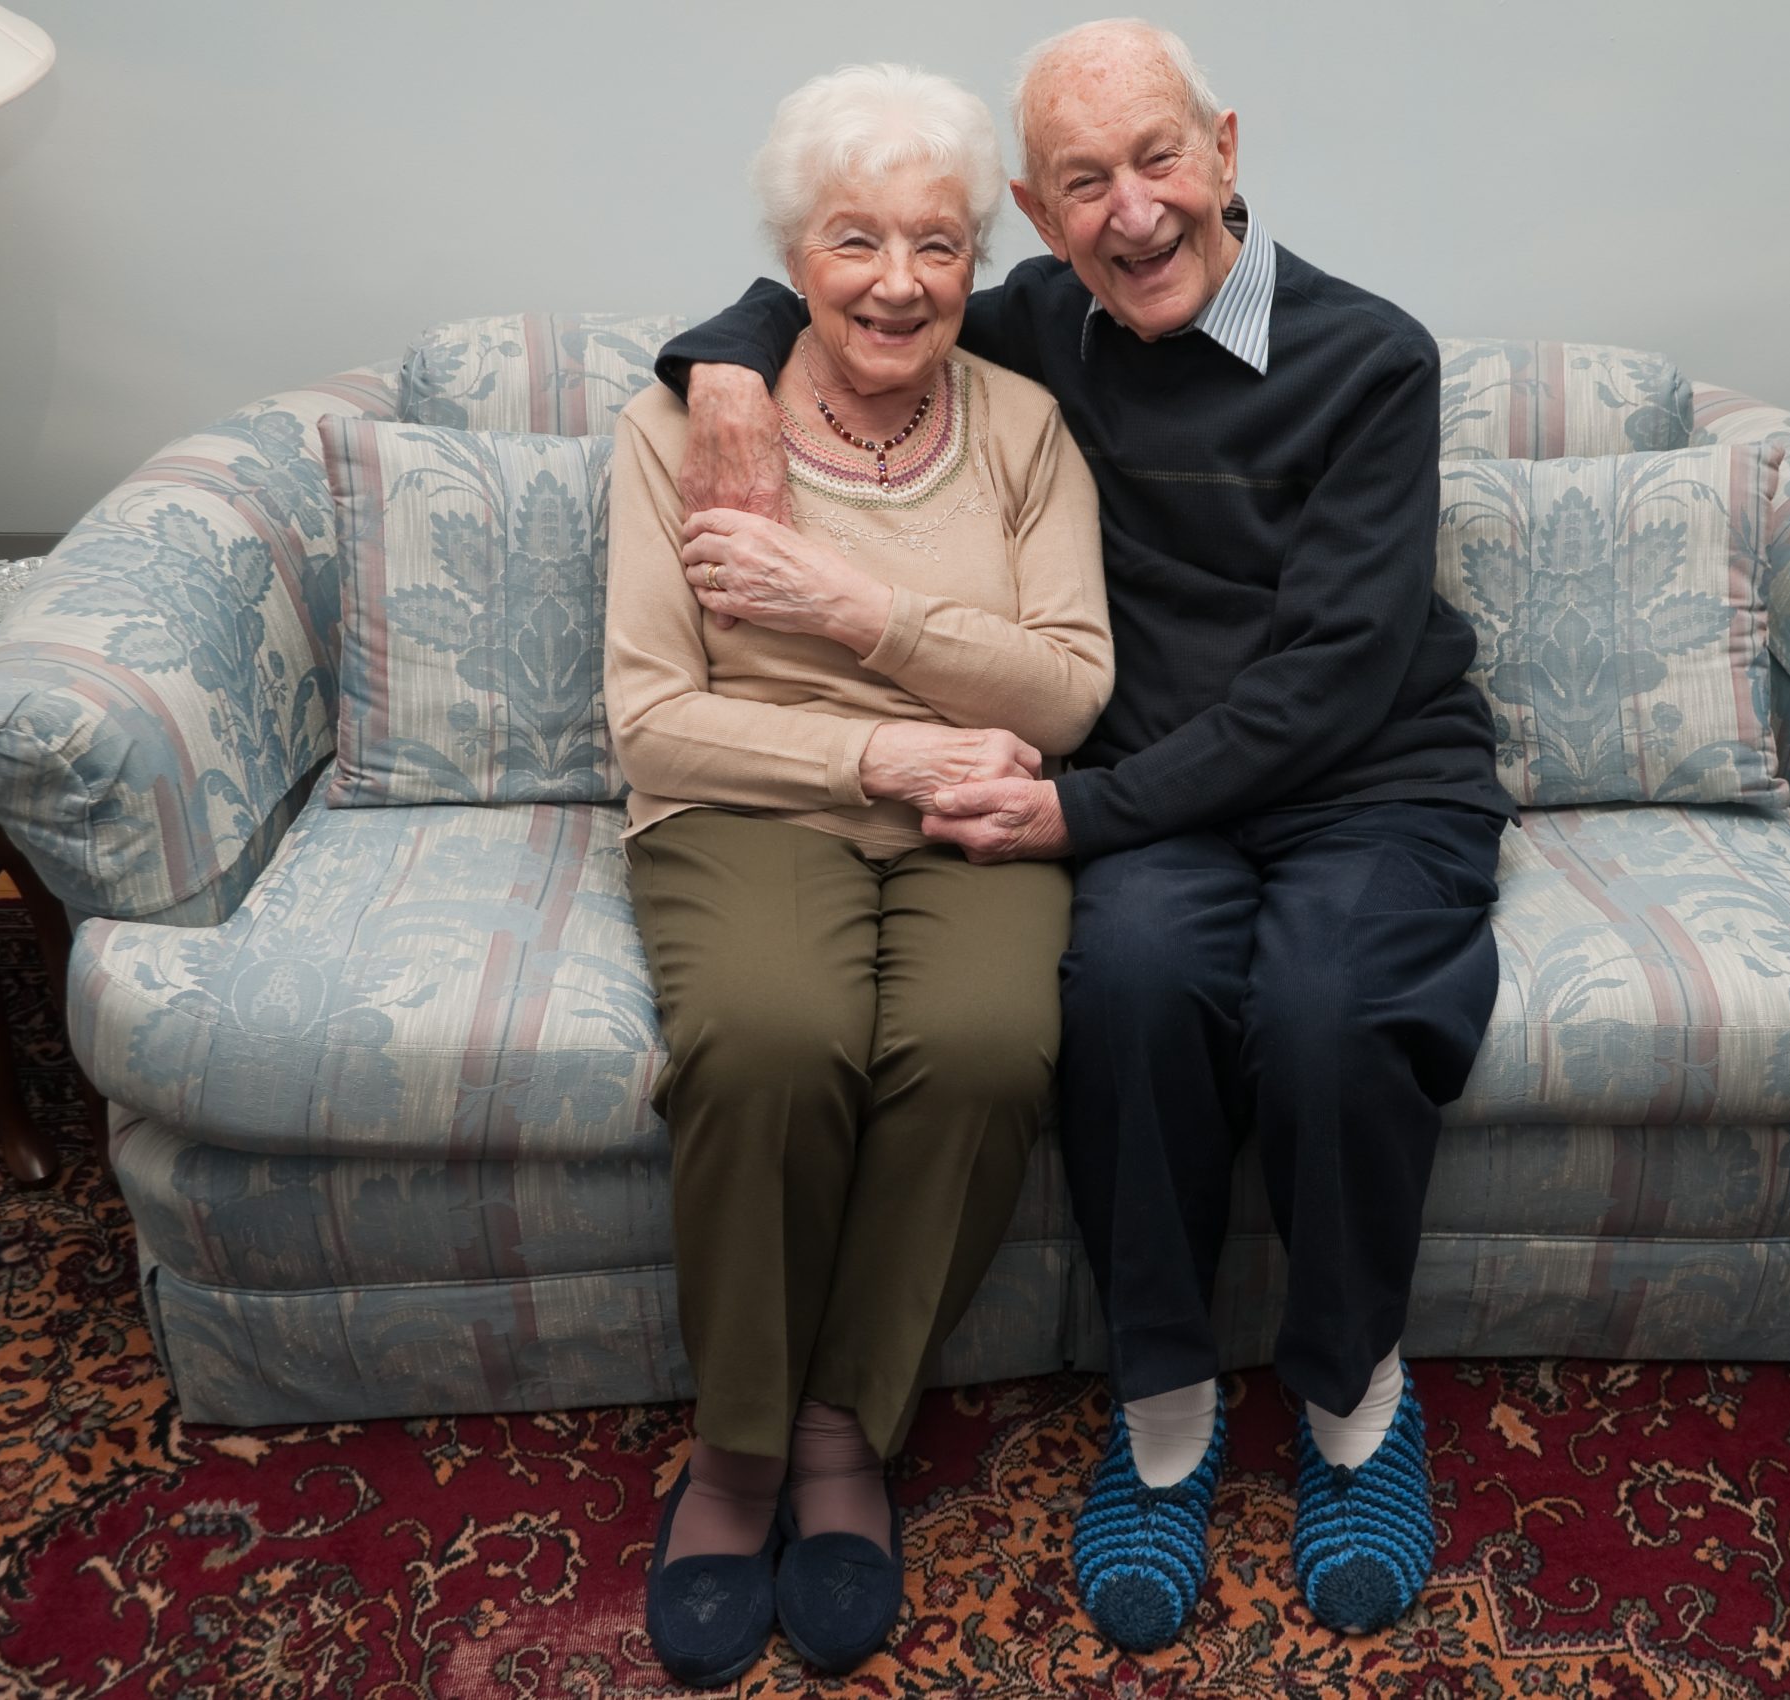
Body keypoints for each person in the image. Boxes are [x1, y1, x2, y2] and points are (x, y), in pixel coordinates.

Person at [658, 18, 1512, 1651]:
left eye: (1159, 160)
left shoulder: (1371, 357)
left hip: (1364, 776)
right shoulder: (1045, 321)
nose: (1132, 215)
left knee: (1332, 1019)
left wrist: (1075, 810)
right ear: (1039, 225)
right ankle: (1166, 1420)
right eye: (1081, 186)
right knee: (1121, 984)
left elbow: (1331, 685)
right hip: (1160, 791)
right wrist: (721, 362)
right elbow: (854, 284)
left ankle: (1353, 1408)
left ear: (1228, 150)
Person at [605, 62, 1111, 1685]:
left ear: (981, 259)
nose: (899, 281)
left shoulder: (1028, 426)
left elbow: (1071, 690)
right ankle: (740, 1450)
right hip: (752, 809)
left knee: (981, 1047)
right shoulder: (683, 422)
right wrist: (880, 751)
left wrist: (848, 607)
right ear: (791, 258)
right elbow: (656, 723)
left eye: (939, 244)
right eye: (855, 240)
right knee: (767, 1036)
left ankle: (841, 1430)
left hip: (979, 817)